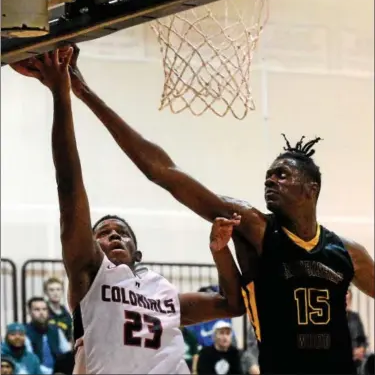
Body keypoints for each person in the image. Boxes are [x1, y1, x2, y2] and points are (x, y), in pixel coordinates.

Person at [44, 43, 373, 374]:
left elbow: (228, 305)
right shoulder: (256, 228)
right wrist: (82, 92)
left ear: (310, 189)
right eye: (268, 175)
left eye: (282, 175)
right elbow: (163, 172)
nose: (270, 181)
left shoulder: (348, 252)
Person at [11, 50, 245, 374]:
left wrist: (219, 251)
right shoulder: (91, 274)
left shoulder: (163, 293)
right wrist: (60, 93)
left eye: (122, 232)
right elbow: (69, 188)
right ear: (93, 247)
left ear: (138, 252)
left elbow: (233, 304)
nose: (114, 235)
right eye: (104, 233)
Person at [25, 297, 71, 374]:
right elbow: (29, 361)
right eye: (37, 309)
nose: (41, 312)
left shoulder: (56, 329)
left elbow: (67, 353)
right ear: (29, 312)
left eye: (44, 309)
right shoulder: (25, 332)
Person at [44, 277, 73, 343]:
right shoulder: (42, 311)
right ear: (46, 292)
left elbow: (70, 335)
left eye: (58, 289)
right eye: (51, 290)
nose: (55, 293)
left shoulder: (66, 314)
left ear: (62, 291)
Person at [346, 288, 368, 372]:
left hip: (357, 363)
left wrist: (362, 348)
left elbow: (363, 339)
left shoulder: (355, 317)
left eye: (348, 299)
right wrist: (352, 353)